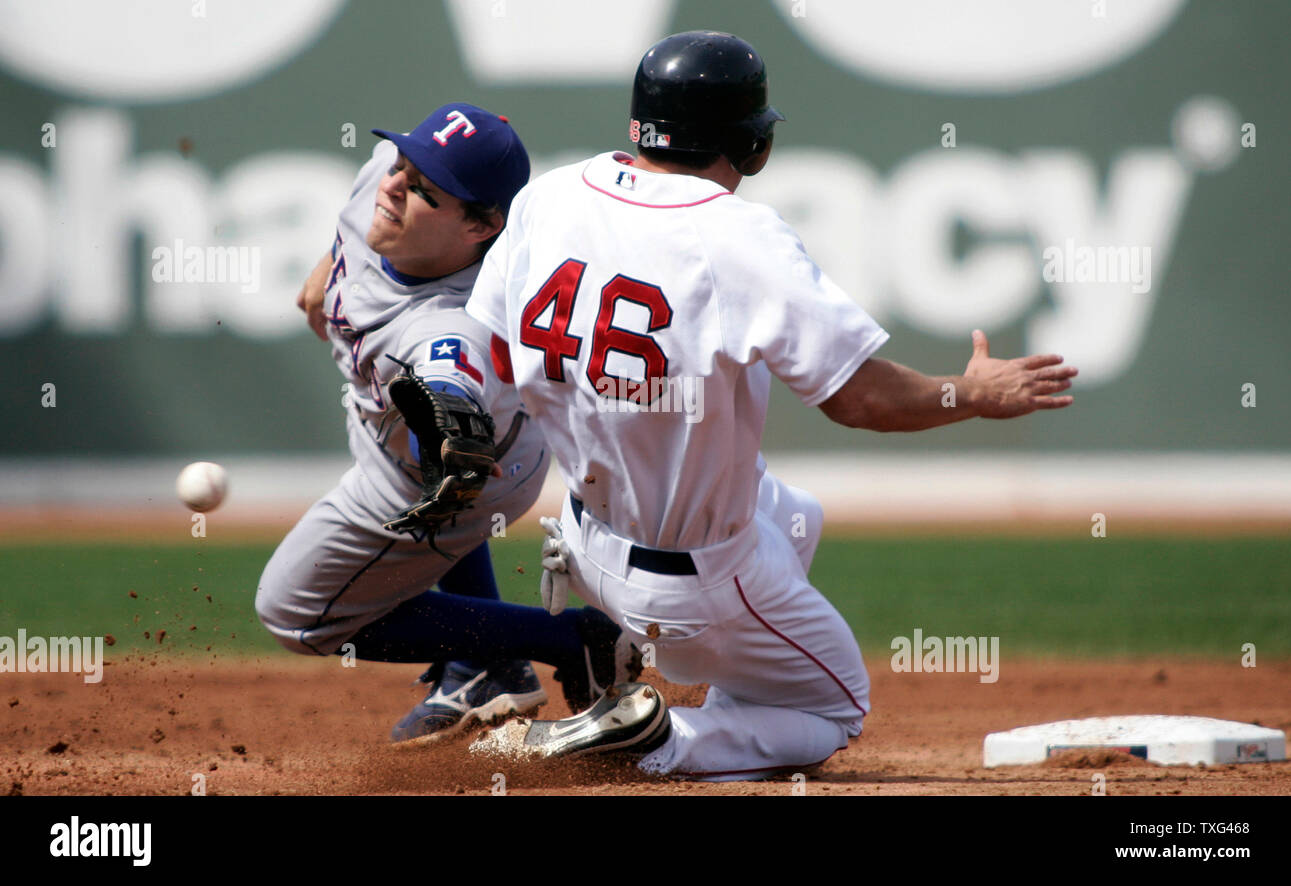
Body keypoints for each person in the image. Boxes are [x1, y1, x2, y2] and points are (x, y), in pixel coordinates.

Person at [464, 33, 1077, 778]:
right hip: (687, 585)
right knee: (833, 709)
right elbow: (860, 401)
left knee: (796, 514)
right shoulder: (735, 233)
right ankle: (661, 743)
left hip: (584, 539)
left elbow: (489, 353)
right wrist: (973, 394)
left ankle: (648, 666)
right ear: (752, 145)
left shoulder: (551, 196)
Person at [255, 103, 638, 745]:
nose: (396, 185)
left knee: (294, 613)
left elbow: (450, 387)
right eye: (404, 161)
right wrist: (329, 262)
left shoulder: (450, 324)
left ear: (481, 226)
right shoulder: (388, 177)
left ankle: (572, 638)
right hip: (389, 420)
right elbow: (375, 197)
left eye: (426, 189)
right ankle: (485, 672)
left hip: (453, 473)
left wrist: (448, 437)